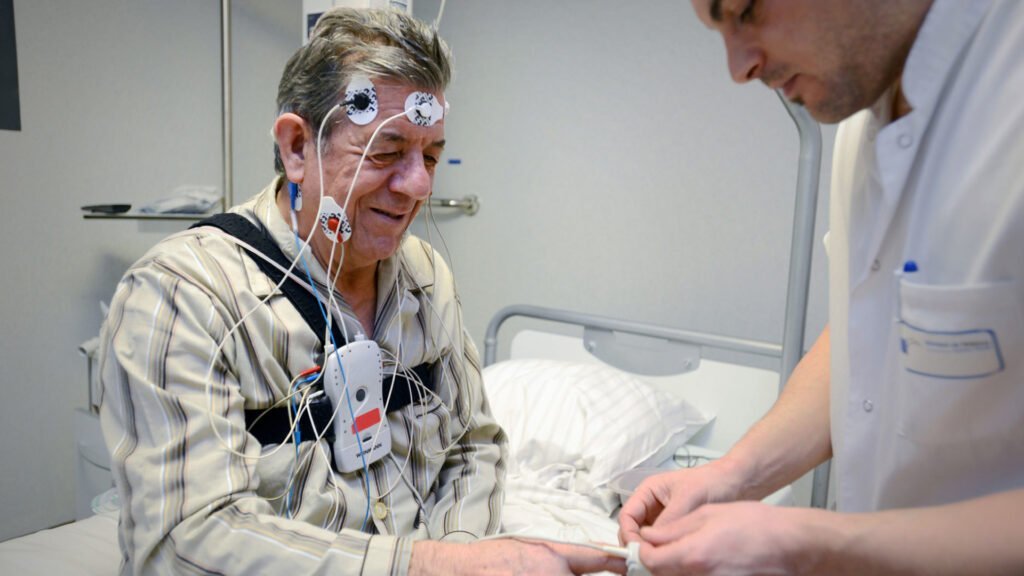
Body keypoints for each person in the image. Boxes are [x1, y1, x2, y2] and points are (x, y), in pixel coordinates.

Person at [99, 8, 619, 575]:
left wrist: (459, 551)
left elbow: (475, 446)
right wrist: (427, 566)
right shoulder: (184, 295)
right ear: (298, 147)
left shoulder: (424, 278)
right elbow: (185, 538)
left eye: (432, 155)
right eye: (387, 152)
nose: (418, 184)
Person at [619, 0, 1024, 574]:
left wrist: (812, 540)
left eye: (746, 10)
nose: (739, 67)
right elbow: (872, 329)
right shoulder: (861, 116)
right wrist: (731, 477)